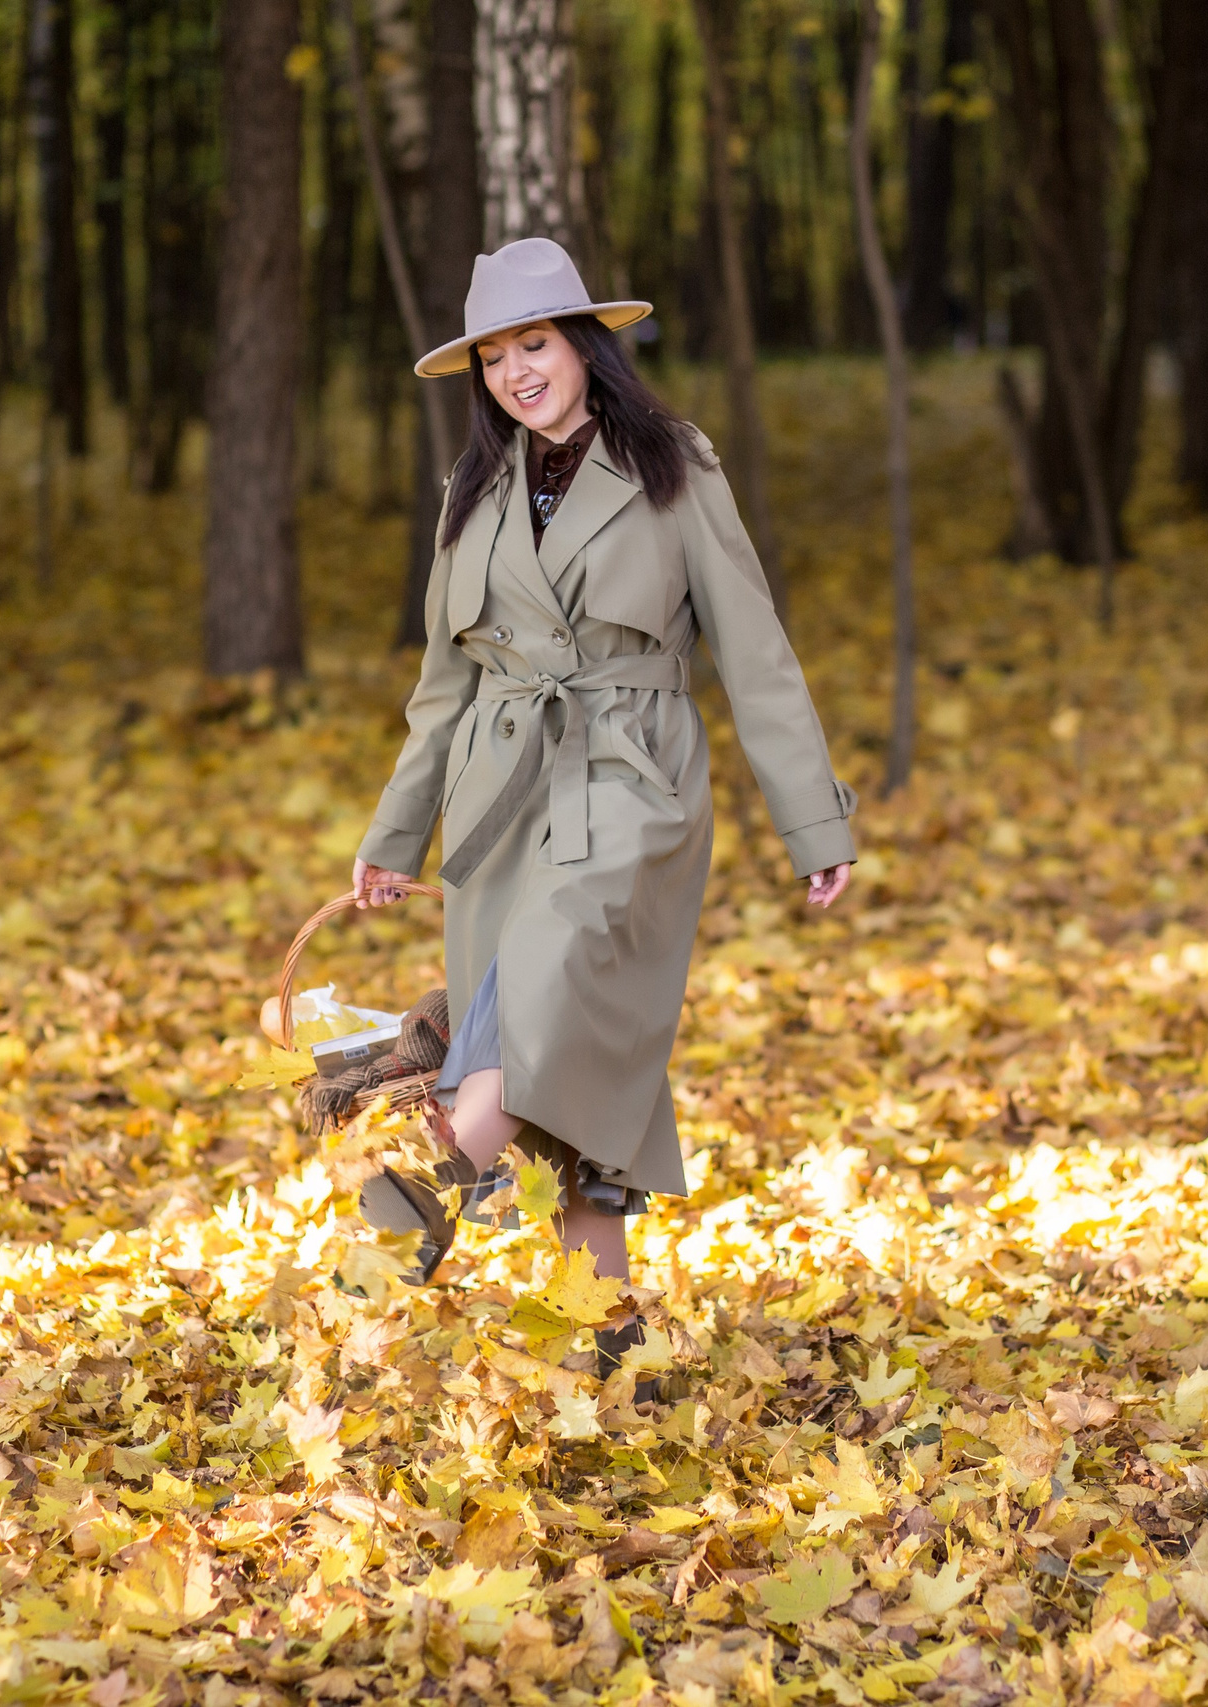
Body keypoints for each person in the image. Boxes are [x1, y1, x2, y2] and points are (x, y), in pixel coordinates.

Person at [349, 237, 856, 1323]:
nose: (516, 373)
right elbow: (443, 686)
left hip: (632, 775)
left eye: (534, 344)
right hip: (499, 791)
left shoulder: (673, 463)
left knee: (551, 994)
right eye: (492, 358)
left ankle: (414, 1213)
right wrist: (395, 839)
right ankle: (604, 1329)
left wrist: (814, 824)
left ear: (583, 343)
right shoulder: (473, 485)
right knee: (577, 1051)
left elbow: (753, 648)